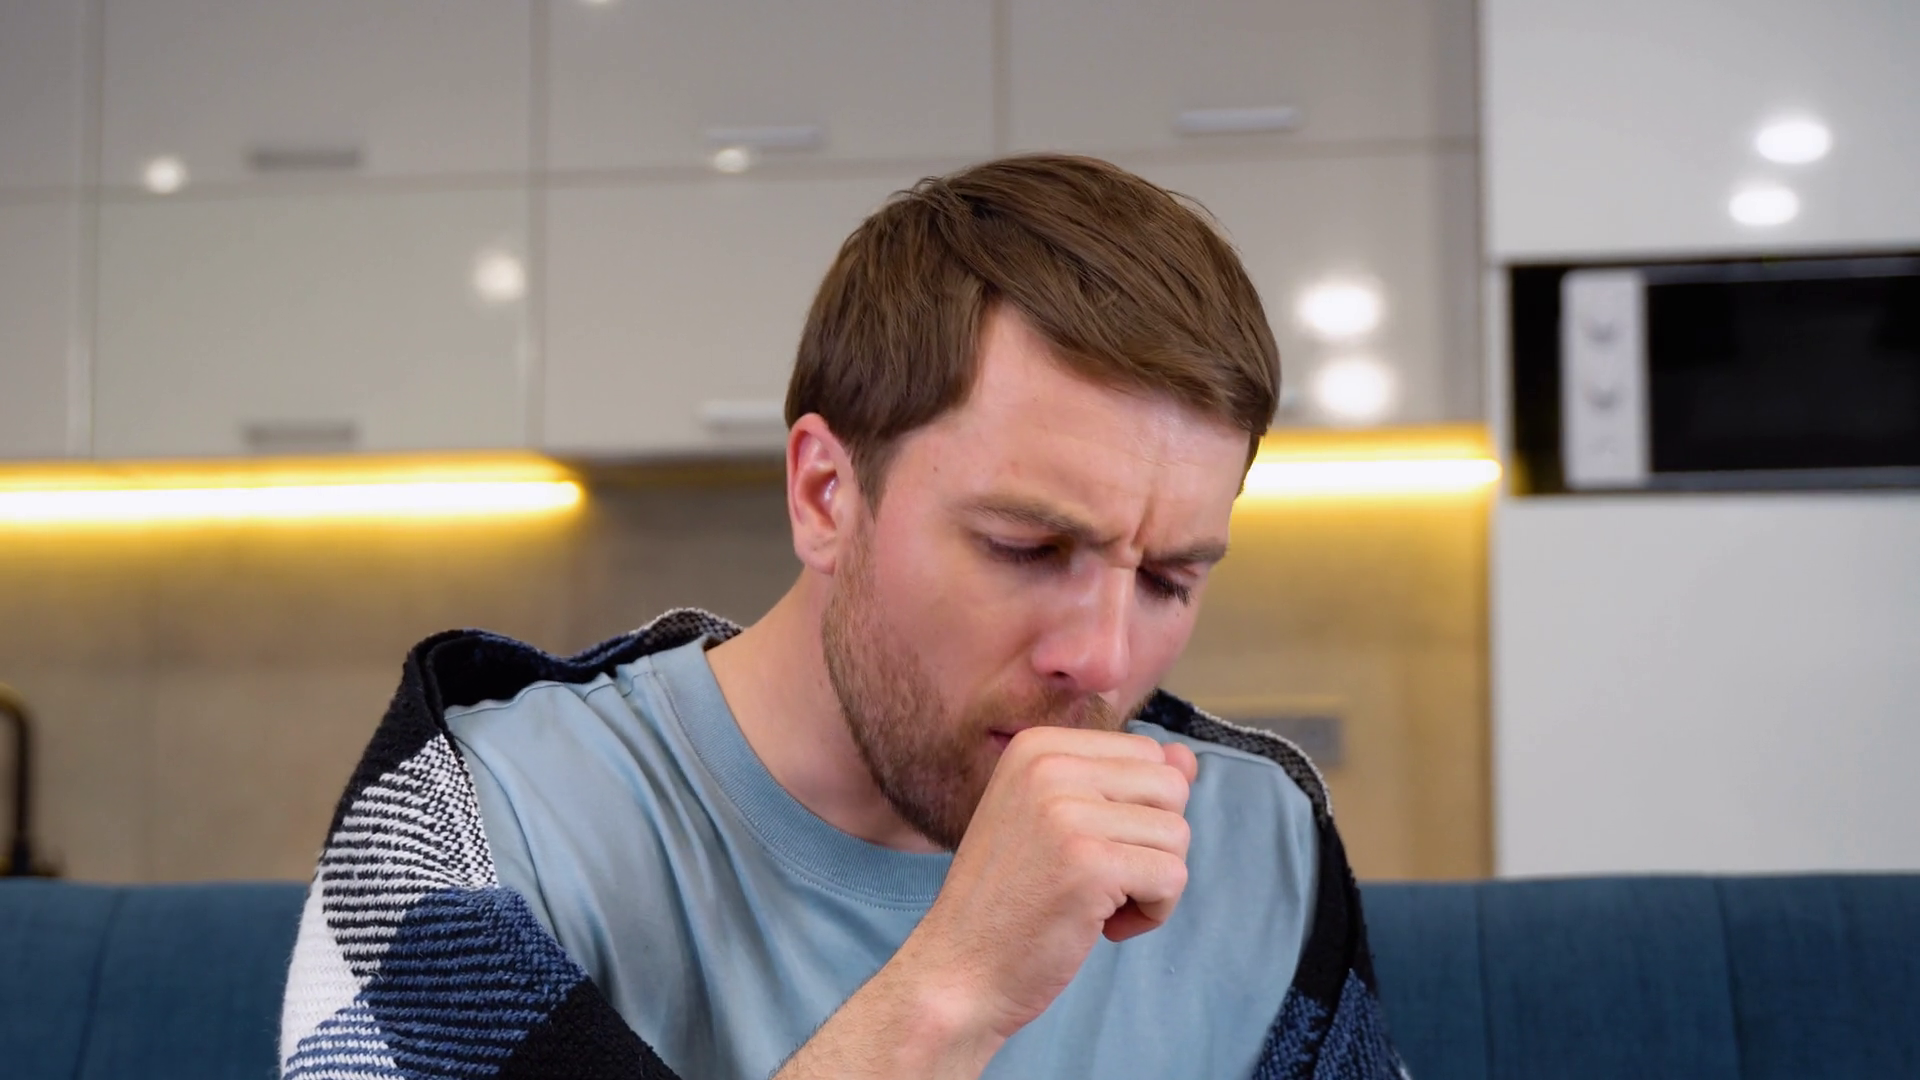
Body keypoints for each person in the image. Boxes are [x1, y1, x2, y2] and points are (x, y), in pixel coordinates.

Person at [279, 154, 1402, 1080]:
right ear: (826, 495)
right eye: (1026, 547)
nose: (1103, 661)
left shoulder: (1262, 849)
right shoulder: (477, 824)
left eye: (1169, 579)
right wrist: (951, 991)